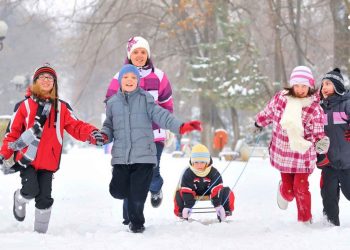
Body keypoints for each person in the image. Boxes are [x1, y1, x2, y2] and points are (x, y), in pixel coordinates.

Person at [0, 63, 105, 233]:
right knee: (31, 190)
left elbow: (76, 126)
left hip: (49, 162)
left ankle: (40, 237)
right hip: (27, 160)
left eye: (50, 78)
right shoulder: (24, 106)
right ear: (35, 81)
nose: (46, 80)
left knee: (45, 199)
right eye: (42, 77)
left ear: (54, 83)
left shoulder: (61, 108)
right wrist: (4, 154)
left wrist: (93, 134)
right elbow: (12, 134)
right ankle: (19, 198)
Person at [101, 64, 201, 233]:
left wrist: (181, 127)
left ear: (138, 81)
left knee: (137, 194)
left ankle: (137, 224)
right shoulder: (112, 103)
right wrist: (103, 135)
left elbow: (162, 116)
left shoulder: (146, 99)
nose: (130, 80)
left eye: (133, 78)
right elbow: (108, 125)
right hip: (121, 157)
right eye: (126, 78)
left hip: (144, 156)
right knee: (118, 191)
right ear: (120, 81)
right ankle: (131, 206)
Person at [105, 36, 173, 215]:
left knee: (152, 172)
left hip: (153, 135)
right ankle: (129, 218)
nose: (140, 55)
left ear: (148, 54)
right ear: (129, 54)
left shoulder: (159, 76)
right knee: (130, 175)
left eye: (143, 52)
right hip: (128, 136)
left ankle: (156, 187)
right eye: (136, 52)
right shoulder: (119, 77)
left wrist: (166, 126)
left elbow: (167, 103)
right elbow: (111, 103)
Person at [254, 66, 330, 223]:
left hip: (303, 157)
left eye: (304, 86)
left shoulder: (314, 108)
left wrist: (320, 142)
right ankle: (283, 187)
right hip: (283, 154)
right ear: (292, 85)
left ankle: (305, 219)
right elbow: (268, 112)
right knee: (289, 192)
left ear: (310, 86)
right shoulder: (281, 99)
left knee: (301, 188)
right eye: (297, 85)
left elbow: (317, 131)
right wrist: (258, 123)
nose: (300, 89)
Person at [317, 68, 350, 226]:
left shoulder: (346, 104)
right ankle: (331, 222)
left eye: (328, 83)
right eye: (323, 84)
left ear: (337, 85)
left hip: (347, 160)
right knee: (328, 194)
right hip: (328, 161)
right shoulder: (319, 108)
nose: (324, 86)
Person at [174, 143, 235, 222]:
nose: (199, 165)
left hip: (211, 193)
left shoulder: (213, 172)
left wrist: (217, 205)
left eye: (202, 162)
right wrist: (188, 206)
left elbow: (217, 187)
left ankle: (225, 210)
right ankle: (182, 212)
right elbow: (186, 189)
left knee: (227, 191)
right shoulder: (188, 173)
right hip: (192, 193)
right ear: (192, 162)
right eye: (196, 162)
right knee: (179, 193)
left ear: (207, 162)